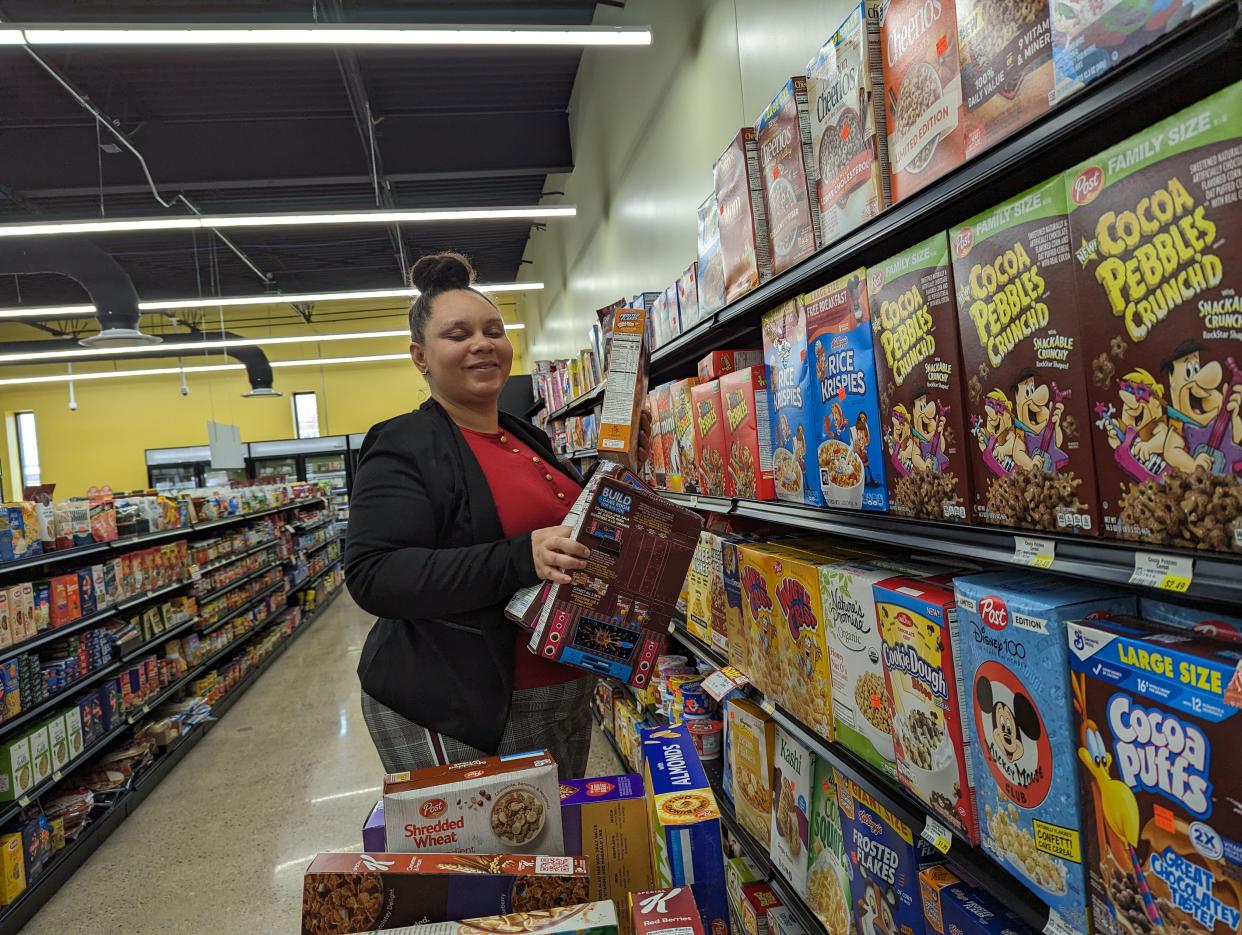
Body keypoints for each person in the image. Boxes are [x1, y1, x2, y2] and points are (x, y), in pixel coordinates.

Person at [345, 252, 646, 779]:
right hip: (461, 709)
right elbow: (374, 575)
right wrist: (520, 557)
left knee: (554, 857)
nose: (482, 343)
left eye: (493, 330)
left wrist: (620, 470)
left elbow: (569, 532)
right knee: (498, 859)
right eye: (457, 334)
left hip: (562, 687)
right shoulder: (406, 443)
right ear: (421, 356)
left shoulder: (524, 434)